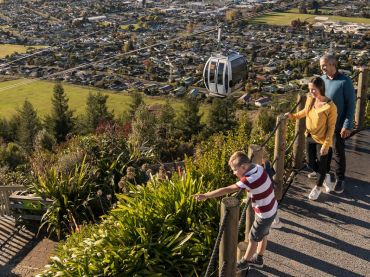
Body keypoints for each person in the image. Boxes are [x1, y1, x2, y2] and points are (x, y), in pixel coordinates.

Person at [193, 151, 277, 272]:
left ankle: (244, 262)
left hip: (264, 214)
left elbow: (227, 189)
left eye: (234, 169)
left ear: (243, 167)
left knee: (253, 238)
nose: (233, 173)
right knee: (263, 235)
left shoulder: (248, 180)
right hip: (272, 207)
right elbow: (258, 187)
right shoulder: (258, 168)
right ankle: (259, 259)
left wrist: (206, 195)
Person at [285, 77, 337, 200]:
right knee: (310, 163)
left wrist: (326, 144)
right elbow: (305, 111)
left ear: (321, 88)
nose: (311, 92)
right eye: (309, 89)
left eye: (313, 89)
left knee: (322, 164)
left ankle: (318, 187)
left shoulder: (330, 107)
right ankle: (325, 176)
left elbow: (331, 128)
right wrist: (293, 116)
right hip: (310, 136)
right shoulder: (310, 99)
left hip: (323, 140)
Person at [320, 54, 355, 193]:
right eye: (321, 65)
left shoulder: (345, 81)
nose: (322, 68)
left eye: (324, 65)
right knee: (324, 150)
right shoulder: (321, 80)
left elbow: (350, 105)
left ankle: (340, 179)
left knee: (338, 152)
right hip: (324, 124)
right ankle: (324, 173)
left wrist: (347, 125)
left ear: (333, 65)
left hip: (339, 124)